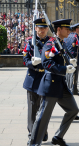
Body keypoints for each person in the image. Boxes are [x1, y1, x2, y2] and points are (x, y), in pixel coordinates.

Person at [29, 19, 79, 146]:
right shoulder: (50, 43)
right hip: (50, 84)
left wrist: (69, 61)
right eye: (66, 29)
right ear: (58, 30)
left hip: (60, 84)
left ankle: (58, 136)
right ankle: (33, 143)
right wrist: (64, 69)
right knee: (43, 117)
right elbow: (46, 63)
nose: (69, 31)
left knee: (73, 110)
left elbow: (60, 57)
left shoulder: (60, 42)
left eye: (69, 29)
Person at [23, 18, 50, 146]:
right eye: (40, 28)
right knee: (33, 109)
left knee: (44, 109)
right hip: (33, 79)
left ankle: (43, 131)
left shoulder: (52, 42)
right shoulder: (30, 41)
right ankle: (32, 134)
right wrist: (32, 64)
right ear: (36, 28)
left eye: (44, 28)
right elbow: (25, 59)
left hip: (46, 78)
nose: (42, 30)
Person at [64, 22, 79, 96]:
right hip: (74, 58)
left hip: (67, 58)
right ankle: (72, 90)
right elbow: (77, 49)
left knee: (68, 74)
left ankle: (71, 88)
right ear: (77, 29)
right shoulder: (75, 36)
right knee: (74, 75)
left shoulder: (67, 36)